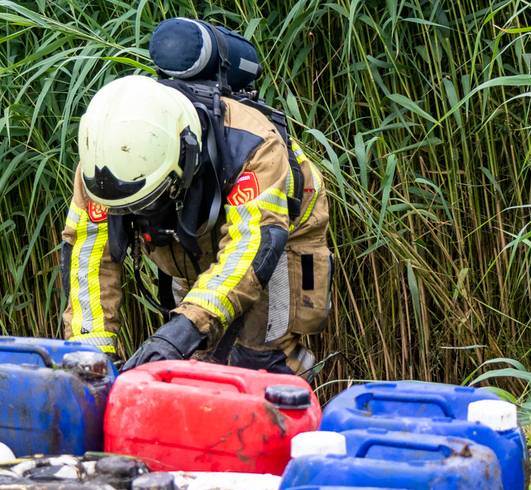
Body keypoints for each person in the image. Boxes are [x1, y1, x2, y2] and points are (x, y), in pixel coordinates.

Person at [60, 73, 333, 375]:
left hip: (280, 233)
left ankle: (295, 399)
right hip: (192, 237)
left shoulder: (254, 147)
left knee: (259, 361)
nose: (135, 215)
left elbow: (249, 250)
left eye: (142, 205)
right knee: (199, 360)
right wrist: (92, 358)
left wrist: (186, 328)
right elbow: (89, 260)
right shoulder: (104, 167)